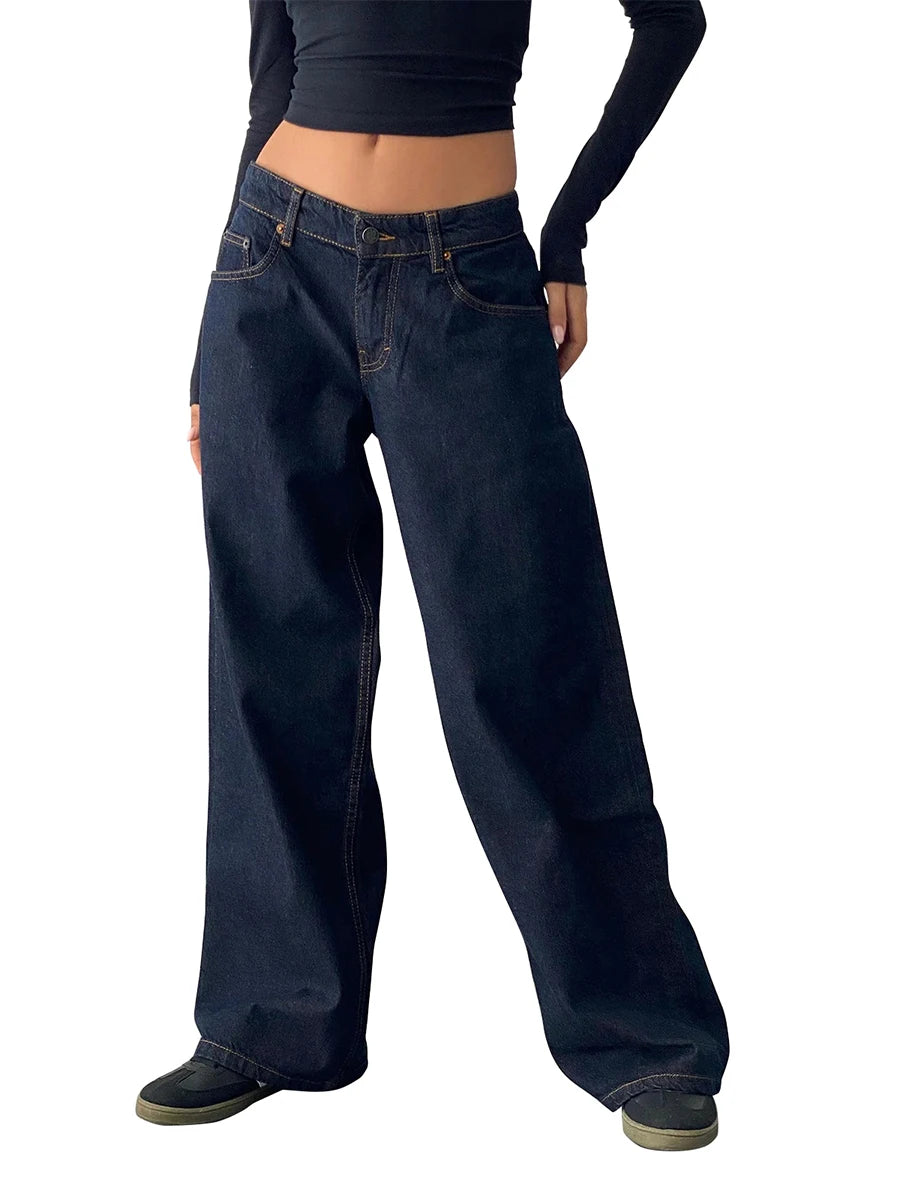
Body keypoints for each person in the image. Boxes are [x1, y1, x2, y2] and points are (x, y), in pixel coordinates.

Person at [136, 1, 729, 1150]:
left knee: (528, 660)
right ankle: (272, 1022)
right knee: (274, 660)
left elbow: (671, 23)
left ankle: (643, 1035)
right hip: (271, 262)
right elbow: (272, 77)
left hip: (467, 271)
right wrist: (213, 325)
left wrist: (570, 232)